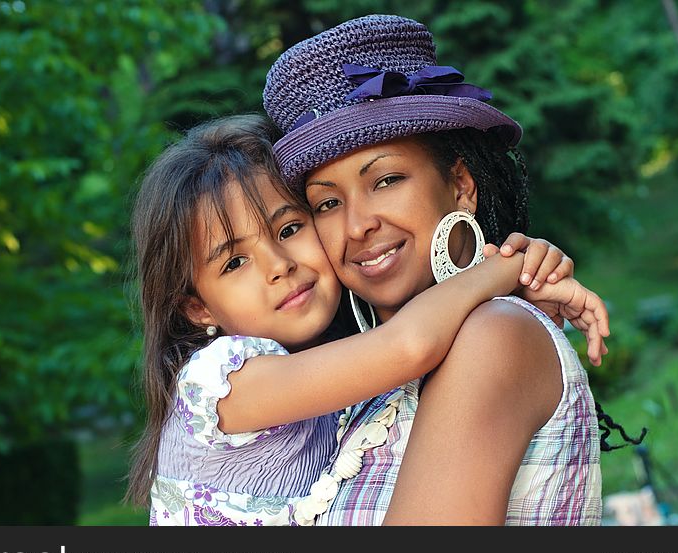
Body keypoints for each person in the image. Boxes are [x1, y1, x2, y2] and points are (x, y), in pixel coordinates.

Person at [124, 114, 608, 526]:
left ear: (461, 185)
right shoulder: (219, 381)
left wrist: (510, 283)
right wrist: (504, 269)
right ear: (197, 307)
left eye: (290, 229)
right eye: (234, 262)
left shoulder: (483, 340)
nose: (279, 265)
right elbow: (409, 344)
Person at [263, 14, 618, 525]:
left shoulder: (493, 335)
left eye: (385, 180)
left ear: (460, 186)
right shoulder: (359, 389)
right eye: (326, 204)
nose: (358, 225)